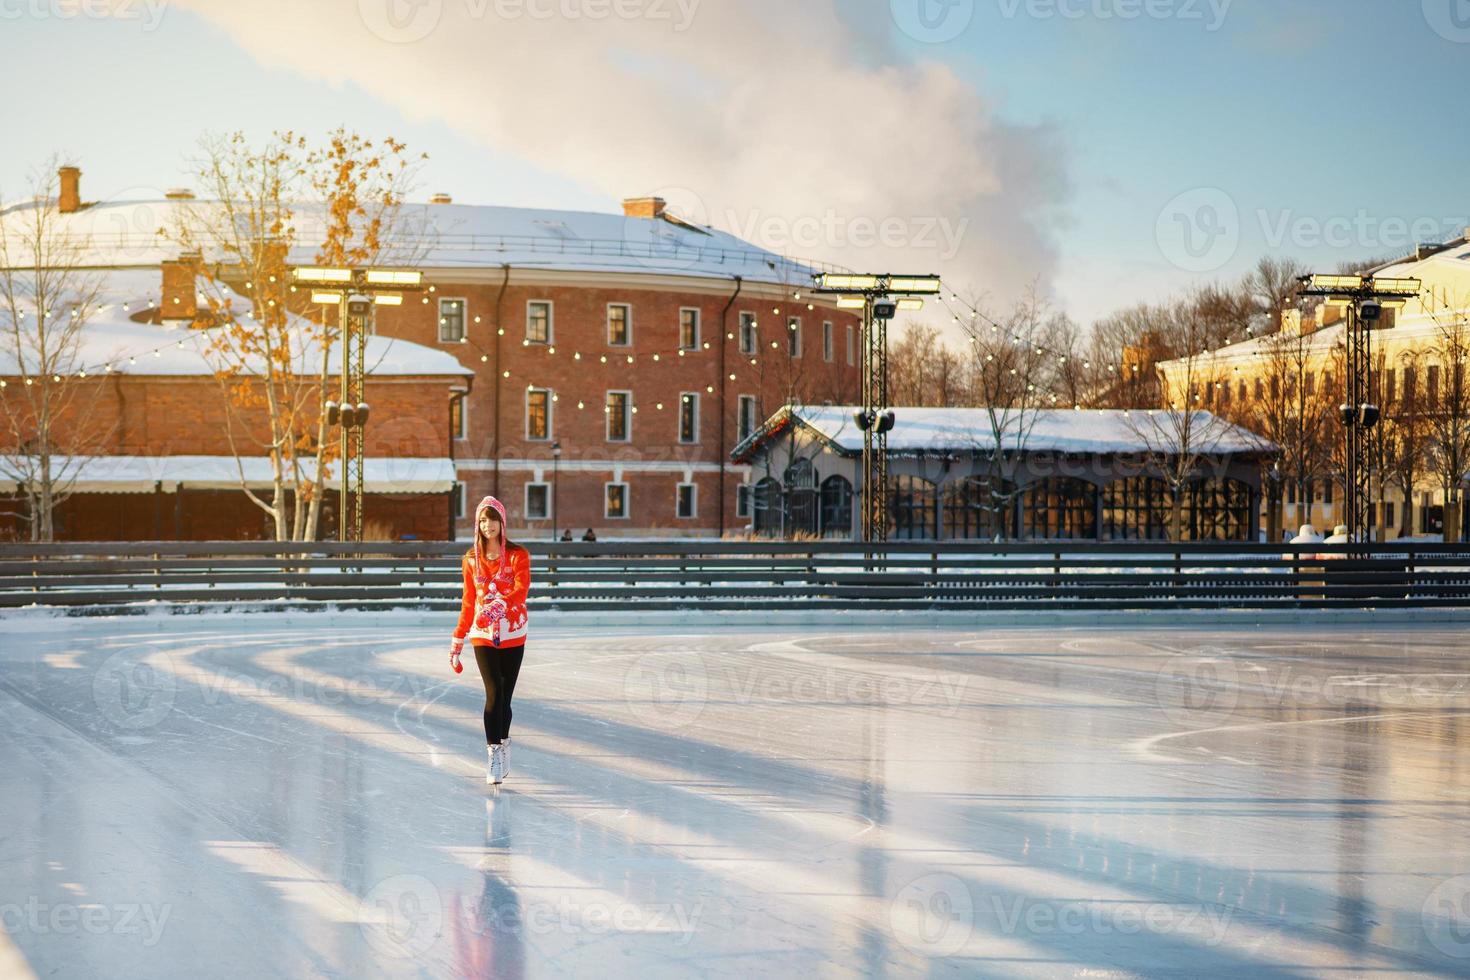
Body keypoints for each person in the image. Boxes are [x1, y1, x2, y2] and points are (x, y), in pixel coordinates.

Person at [450, 496, 531, 785]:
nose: (488, 525)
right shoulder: (471, 560)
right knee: (493, 691)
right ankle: (493, 752)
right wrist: (458, 637)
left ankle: (505, 743)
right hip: (482, 634)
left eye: (492, 519)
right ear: (477, 525)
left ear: (501, 522)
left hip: (513, 634)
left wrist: (502, 605)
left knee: (505, 699)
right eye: (483, 521)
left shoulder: (517, 555)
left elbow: (521, 591)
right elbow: (468, 601)